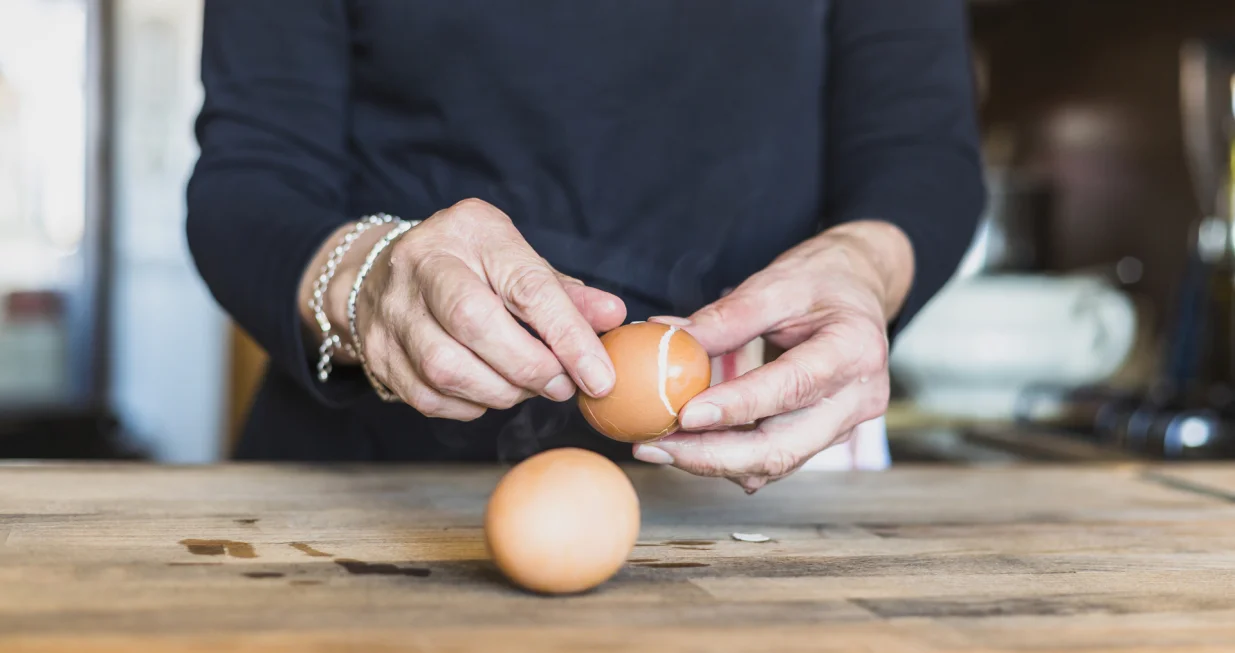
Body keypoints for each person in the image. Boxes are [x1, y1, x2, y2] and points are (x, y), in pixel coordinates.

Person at [187, 0, 985, 492]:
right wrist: (370, 280)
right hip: (371, 489)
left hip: (755, 494)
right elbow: (249, 179)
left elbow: (922, 157)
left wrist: (862, 264)